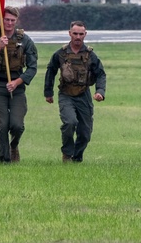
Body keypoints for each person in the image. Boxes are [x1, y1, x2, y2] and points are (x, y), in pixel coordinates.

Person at [0, 6, 38, 164]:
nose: (10, 23)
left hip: (17, 87)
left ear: (16, 21)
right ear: (1, 20)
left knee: (17, 125)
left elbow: (32, 67)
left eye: (13, 20)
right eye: (7, 20)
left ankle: (14, 145)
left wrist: (18, 82)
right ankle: (4, 160)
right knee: (3, 125)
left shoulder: (24, 40)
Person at [43, 21, 106, 163]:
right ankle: (67, 154)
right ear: (70, 33)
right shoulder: (60, 54)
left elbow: (101, 74)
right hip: (66, 94)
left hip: (84, 95)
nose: (78, 37)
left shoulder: (90, 55)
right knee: (70, 122)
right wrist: (48, 93)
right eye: (75, 33)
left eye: (81, 34)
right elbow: (51, 71)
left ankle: (76, 157)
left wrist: (100, 91)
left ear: (85, 34)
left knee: (85, 133)